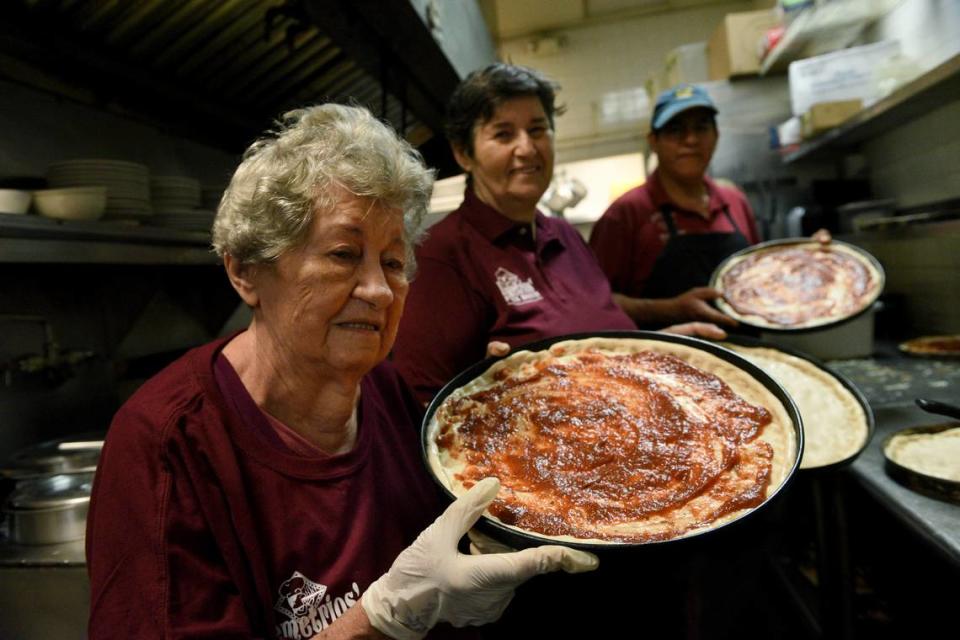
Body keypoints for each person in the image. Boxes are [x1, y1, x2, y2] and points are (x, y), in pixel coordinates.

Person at [85, 104, 599, 640]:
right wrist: (381, 617)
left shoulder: (390, 396)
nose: (378, 290)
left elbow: (449, 559)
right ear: (245, 271)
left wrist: (511, 450)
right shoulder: (167, 446)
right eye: (342, 254)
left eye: (394, 263)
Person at [392, 64, 725, 405]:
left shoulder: (565, 236)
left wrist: (656, 349)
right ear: (464, 153)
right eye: (503, 134)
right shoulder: (441, 257)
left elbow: (596, 348)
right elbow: (420, 404)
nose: (527, 148)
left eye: (537, 130)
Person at [588, 83, 760, 329]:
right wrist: (671, 310)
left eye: (701, 128)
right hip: (665, 360)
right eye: (675, 130)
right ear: (653, 141)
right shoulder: (626, 213)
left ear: (716, 135)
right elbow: (594, 302)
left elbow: (759, 276)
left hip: (751, 353)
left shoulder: (735, 201)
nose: (690, 140)